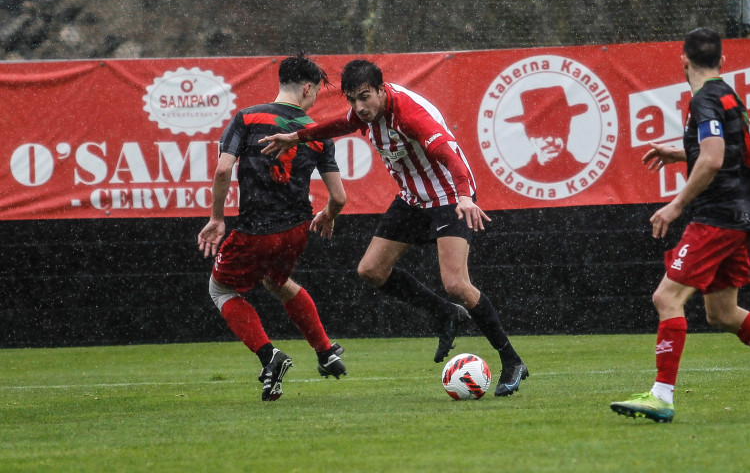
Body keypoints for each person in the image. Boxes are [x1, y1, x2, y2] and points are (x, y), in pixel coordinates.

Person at [260, 59, 528, 397]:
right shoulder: (362, 113)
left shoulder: (409, 115)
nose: (360, 107)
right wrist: (297, 136)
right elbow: (336, 126)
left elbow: (449, 154)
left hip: (449, 197)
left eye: (365, 97)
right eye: (353, 99)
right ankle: (444, 314)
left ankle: (511, 360)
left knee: (457, 284)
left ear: (382, 90)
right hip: (413, 198)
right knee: (371, 270)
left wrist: (463, 195)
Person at [609, 28, 750, 423]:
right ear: (723, 62)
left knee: (666, 299)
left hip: (718, 215)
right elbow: (723, 150)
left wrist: (675, 205)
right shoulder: (727, 94)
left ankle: (661, 396)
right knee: (722, 313)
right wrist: (678, 153)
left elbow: (712, 159)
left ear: (683, 60)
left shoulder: (703, 99)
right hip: (742, 214)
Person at [198, 53, 348, 402]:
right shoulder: (316, 132)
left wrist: (217, 219)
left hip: (255, 230)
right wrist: (328, 214)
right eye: (316, 93)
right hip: (296, 232)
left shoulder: (247, 118)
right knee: (277, 282)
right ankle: (325, 352)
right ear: (307, 87)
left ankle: (270, 357)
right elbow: (339, 197)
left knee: (220, 290)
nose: (314, 100)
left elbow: (222, 171)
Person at [505, 85, 589, 182]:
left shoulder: (587, 175)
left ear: (567, 131)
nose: (549, 140)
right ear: (530, 139)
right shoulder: (516, 180)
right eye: (540, 132)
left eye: (556, 130)